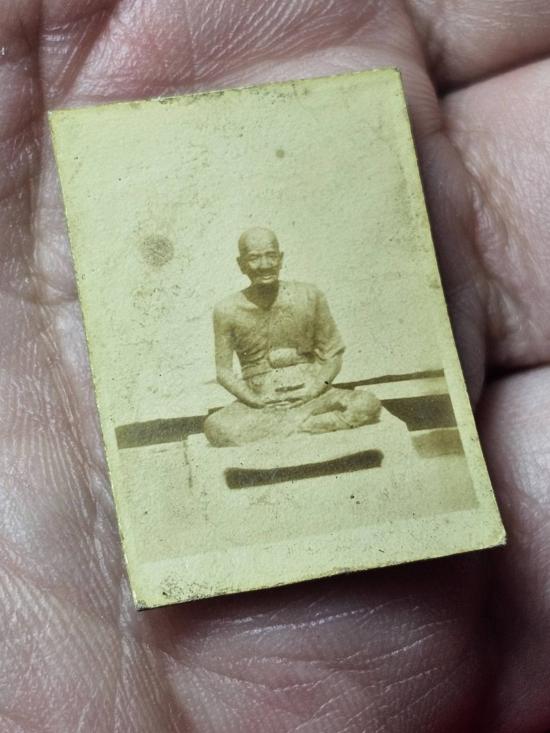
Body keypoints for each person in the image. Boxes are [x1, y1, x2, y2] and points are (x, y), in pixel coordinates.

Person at [204, 227, 381, 446]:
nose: (265, 265)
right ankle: (308, 425)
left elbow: (333, 355)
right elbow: (223, 372)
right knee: (215, 427)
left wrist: (314, 389)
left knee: (367, 403)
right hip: (263, 404)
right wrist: (255, 400)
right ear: (241, 264)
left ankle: (299, 426)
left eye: (271, 256)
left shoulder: (309, 295)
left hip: (313, 395)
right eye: (254, 258)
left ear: (281, 259)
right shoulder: (227, 310)